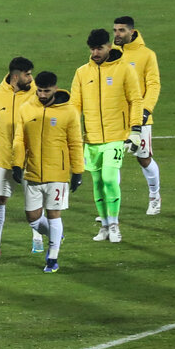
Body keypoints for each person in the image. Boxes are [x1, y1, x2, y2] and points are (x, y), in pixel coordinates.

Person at [70, 28, 143, 244]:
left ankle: (114, 224)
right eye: (92, 49)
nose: (95, 53)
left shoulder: (124, 70)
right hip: (91, 139)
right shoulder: (82, 73)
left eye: (99, 48)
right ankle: (104, 225)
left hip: (115, 136)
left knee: (110, 179)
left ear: (109, 46)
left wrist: (136, 130)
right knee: (98, 183)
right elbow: (75, 105)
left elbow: (136, 100)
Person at [11, 72, 85, 273]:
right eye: (39, 90)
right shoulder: (26, 109)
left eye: (46, 91)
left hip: (57, 174)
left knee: (54, 215)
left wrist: (78, 171)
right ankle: (55, 235)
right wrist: (17, 164)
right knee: (33, 218)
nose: (42, 95)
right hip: (33, 172)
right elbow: (19, 139)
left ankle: (52, 257)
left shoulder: (69, 112)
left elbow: (75, 143)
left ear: (55, 88)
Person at [0, 57, 46, 258]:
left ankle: (38, 240)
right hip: (4, 159)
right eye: (28, 74)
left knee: (34, 204)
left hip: (32, 160)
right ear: (16, 76)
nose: (31, 78)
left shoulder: (37, 94)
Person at [113, 16, 164, 215]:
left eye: (121, 30)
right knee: (112, 162)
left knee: (144, 158)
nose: (117, 34)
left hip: (139, 118)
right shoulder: (111, 53)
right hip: (115, 119)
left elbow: (153, 85)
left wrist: (145, 110)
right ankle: (111, 205)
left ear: (132, 32)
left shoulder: (147, 55)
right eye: (115, 30)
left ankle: (154, 196)